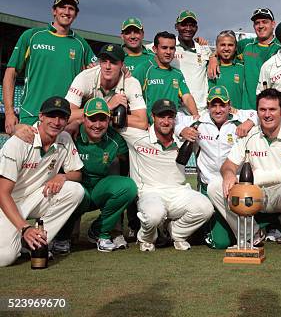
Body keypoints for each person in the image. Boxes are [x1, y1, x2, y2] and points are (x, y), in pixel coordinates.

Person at [208, 88, 281, 256]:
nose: (267, 114)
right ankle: (252, 234)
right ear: (256, 112)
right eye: (262, 110)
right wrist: (228, 174)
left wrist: (256, 178)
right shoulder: (249, 132)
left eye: (272, 109)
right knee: (214, 186)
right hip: (255, 196)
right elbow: (228, 164)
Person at [118, 99, 214, 251]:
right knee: (154, 215)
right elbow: (112, 123)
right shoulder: (138, 137)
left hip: (178, 192)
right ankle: (146, 238)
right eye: (161, 117)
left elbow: (207, 122)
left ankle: (176, 232)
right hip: (150, 192)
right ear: (153, 117)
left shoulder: (184, 138)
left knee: (206, 208)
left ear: (175, 119)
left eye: (170, 117)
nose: (165, 121)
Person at [0, 96, 84, 266]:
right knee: (5, 257)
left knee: (75, 191)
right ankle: (25, 235)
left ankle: (34, 243)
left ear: (67, 120)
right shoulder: (19, 142)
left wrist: (63, 176)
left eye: (62, 117)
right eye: (52, 116)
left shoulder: (65, 139)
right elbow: (2, 192)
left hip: (34, 198)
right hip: (7, 203)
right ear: (41, 116)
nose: (56, 122)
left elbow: (77, 173)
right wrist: (25, 228)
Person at [175, 86, 256, 249]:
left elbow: (260, 114)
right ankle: (205, 228)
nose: (218, 110)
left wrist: (250, 122)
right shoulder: (198, 120)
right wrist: (181, 130)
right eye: (214, 105)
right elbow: (174, 120)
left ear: (229, 105)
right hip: (207, 187)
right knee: (221, 243)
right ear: (208, 106)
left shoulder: (239, 118)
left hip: (234, 186)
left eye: (222, 105)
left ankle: (253, 230)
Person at [52, 98, 137, 254]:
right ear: (83, 118)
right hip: (75, 191)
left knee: (128, 187)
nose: (97, 125)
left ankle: (100, 232)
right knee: (72, 191)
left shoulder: (115, 140)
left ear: (109, 119)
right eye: (92, 119)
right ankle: (62, 237)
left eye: (102, 119)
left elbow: (125, 163)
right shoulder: (71, 135)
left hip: (98, 190)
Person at [3, 0, 96, 132]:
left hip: (64, 119)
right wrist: (9, 113)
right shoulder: (32, 36)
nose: (66, 12)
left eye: (71, 8)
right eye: (62, 7)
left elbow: (99, 73)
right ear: (54, 11)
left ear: (76, 14)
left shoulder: (81, 44)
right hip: (31, 115)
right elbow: (10, 74)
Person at [209, 8, 281, 110]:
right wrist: (213, 57)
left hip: (272, 108)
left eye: (265, 22)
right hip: (248, 109)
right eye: (257, 23)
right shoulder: (246, 45)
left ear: (273, 24)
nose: (260, 26)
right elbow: (226, 48)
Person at [65, 43, 148, 128]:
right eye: (104, 61)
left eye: (113, 62)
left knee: (142, 137)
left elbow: (142, 123)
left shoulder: (131, 83)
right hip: (88, 125)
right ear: (100, 63)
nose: (107, 67)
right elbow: (66, 115)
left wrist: (107, 117)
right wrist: (107, 107)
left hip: (114, 125)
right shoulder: (85, 77)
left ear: (122, 65)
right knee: (67, 130)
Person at [133, 31, 199, 120]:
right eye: (164, 48)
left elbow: (186, 97)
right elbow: (132, 98)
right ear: (155, 49)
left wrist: (196, 117)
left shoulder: (177, 74)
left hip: (172, 126)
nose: (168, 52)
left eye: (172, 48)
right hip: (150, 128)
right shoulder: (143, 69)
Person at [169, 10, 211, 113]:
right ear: (176, 27)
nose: (188, 29)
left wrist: (214, 57)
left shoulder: (204, 49)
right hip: (176, 110)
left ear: (196, 28)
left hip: (201, 110)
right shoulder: (169, 46)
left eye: (192, 25)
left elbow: (216, 56)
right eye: (184, 25)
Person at [207, 30, 245, 109]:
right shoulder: (207, 66)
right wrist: (212, 57)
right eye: (223, 45)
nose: (226, 48)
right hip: (213, 116)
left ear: (235, 48)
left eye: (230, 45)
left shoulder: (242, 68)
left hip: (237, 117)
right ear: (216, 46)